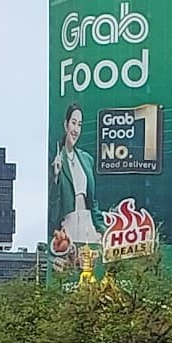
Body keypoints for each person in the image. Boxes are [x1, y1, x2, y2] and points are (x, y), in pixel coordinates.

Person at [49, 104, 104, 246]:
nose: (76, 129)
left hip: (88, 225)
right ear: (66, 125)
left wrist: (102, 229)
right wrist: (55, 177)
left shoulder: (86, 159)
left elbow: (93, 202)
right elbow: (53, 206)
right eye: (73, 123)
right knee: (72, 266)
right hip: (68, 229)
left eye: (79, 125)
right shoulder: (56, 160)